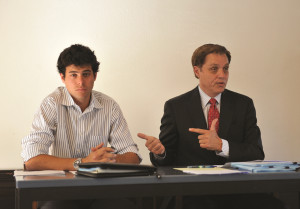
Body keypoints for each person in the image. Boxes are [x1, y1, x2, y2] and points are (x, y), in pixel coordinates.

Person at [138, 44, 285, 209]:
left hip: (237, 190)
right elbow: (167, 157)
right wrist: (160, 152)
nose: (222, 75)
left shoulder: (243, 104)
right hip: (191, 191)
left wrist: (222, 145)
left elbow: (256, 153)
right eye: (214, 69)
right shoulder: (176, 106)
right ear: (197, 71)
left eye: (226, 69)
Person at [21, 44, 141, 209]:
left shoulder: (109, 105)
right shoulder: (51, 104)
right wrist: (84, 162)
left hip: (101, 190)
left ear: (95, 76)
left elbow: (132, 156)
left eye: (86, 74)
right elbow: (31, 160)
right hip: (60, 191)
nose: (81, 82)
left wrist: (106, 160)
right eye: (73, 75)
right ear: (62, 78)